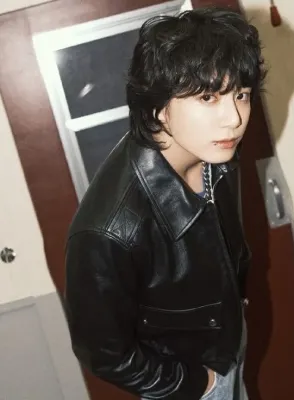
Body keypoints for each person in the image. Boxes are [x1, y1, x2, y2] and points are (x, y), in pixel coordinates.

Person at [64, 6, 265, 400]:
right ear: (158, 107)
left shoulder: (214, 152)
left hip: (227, 350)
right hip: (189, 383)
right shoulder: (108, 230)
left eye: (241, 94)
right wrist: (198, 383)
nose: (234, 118)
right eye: (208, 96)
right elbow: (104, 354)